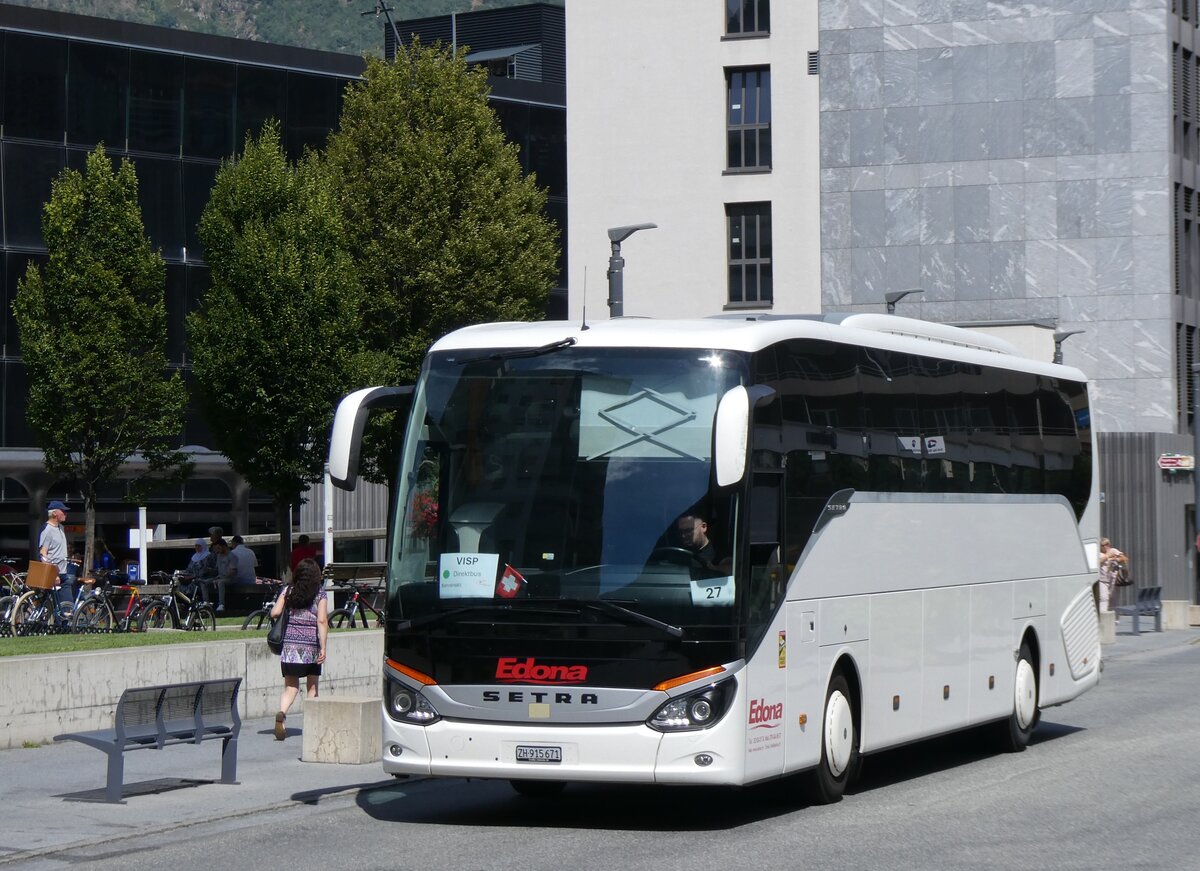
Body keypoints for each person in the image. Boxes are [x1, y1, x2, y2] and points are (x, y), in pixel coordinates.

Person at [270, 558, 328, 741]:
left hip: (290, 646)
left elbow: (275, 613)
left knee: (291, 687)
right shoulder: (320, 593)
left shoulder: (288, 590)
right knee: (312, 686)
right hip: (310, 646)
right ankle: (313, 725)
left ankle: (282, 713)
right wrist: (323, 647)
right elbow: (322, 621)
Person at [39, 500, 73, 614]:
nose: (66, 514)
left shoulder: (61, 528)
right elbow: (43, 553)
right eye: (63, 511)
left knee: (65, 605)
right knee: (50, 605)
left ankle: (64, 626)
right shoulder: (47, 529)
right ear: (54, 514)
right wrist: (53, 573)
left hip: (63, 573)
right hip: (54, 574)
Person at [1098, 537, 1128, 615]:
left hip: (1114, 580)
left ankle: (1115, 621)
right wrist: (1108, 556)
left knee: (1114, 601)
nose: (1106, 546)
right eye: (1103, 545)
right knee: (1104, 598)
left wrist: (1117, 559)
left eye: (1107, 544)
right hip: (1103, 581)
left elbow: (1125, 558)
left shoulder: (1113, 550)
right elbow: (1099, 562)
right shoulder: (1098, 554)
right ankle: (1103, 618)